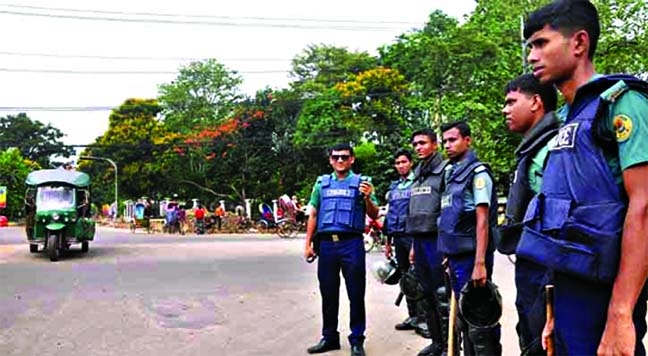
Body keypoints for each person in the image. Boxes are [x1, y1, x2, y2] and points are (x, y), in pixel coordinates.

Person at [517, 1, 648, 354]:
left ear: (579, 43)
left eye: (541, 43)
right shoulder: (567, 119)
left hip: (606, 297)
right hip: (567, 293)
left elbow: (645, 207)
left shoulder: (623, 104)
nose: (532, 55)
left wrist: (621, 313)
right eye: (530, 46)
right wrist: (553, 310)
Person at [499, 73, 559, 354]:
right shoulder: (531, 149)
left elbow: (561, 222)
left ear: (535, 102)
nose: (505, 109)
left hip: (546, 269)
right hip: (530, 261)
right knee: (529, 335)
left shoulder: (553, 147)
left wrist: (553, 285)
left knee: (542, 342)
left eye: (512, 101)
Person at [304, 142, 379, 356]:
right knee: (328, 293)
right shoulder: (321, 184)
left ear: (352, 159)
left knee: (356, 293)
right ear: (330, 160)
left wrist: (367, 197)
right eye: (336, 157)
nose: (340, 160)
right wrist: (308, 243)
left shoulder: (363, 183)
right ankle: (329, 337)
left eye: (344, 157)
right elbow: (314, 214)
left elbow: (374, 215)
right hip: (326, 245)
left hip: (351, 244)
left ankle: (357, 339)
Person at [438, 121, 501, 355]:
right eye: (445, 141)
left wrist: (480, 263)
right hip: (455, 257)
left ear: (467, 140)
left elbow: (482, 221)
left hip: (472, 257)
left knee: (480, 323)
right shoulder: (451, 174)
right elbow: (449, 217)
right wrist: (447, 253)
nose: (447, 145)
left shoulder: (478, 174)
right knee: (464, 320)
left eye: (452, 140)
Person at [405, 128, 449, 356]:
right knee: (426, 294)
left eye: (422, 143)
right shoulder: (418, 174)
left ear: (435, 145)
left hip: (437, 242)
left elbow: (448, 210)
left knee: (442, 296)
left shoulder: (445, 171)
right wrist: (413, 245)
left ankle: (449, 347)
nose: (418, 147)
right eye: (415, 144)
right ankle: (437, 343)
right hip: (420, 241)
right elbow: (415, 211)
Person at [382, 149, 423, 333]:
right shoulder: (394, 187)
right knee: (405, 277)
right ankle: (412, 316)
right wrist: (388, 241)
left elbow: (418, 214)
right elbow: (390, 215)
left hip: (413, 237)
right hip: (397, 237)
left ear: (411, 163)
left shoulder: (418, 183)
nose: (400, 166)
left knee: (418, 277)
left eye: (404, 162)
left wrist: (415, 244)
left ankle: (424, 320)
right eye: (397, 163)